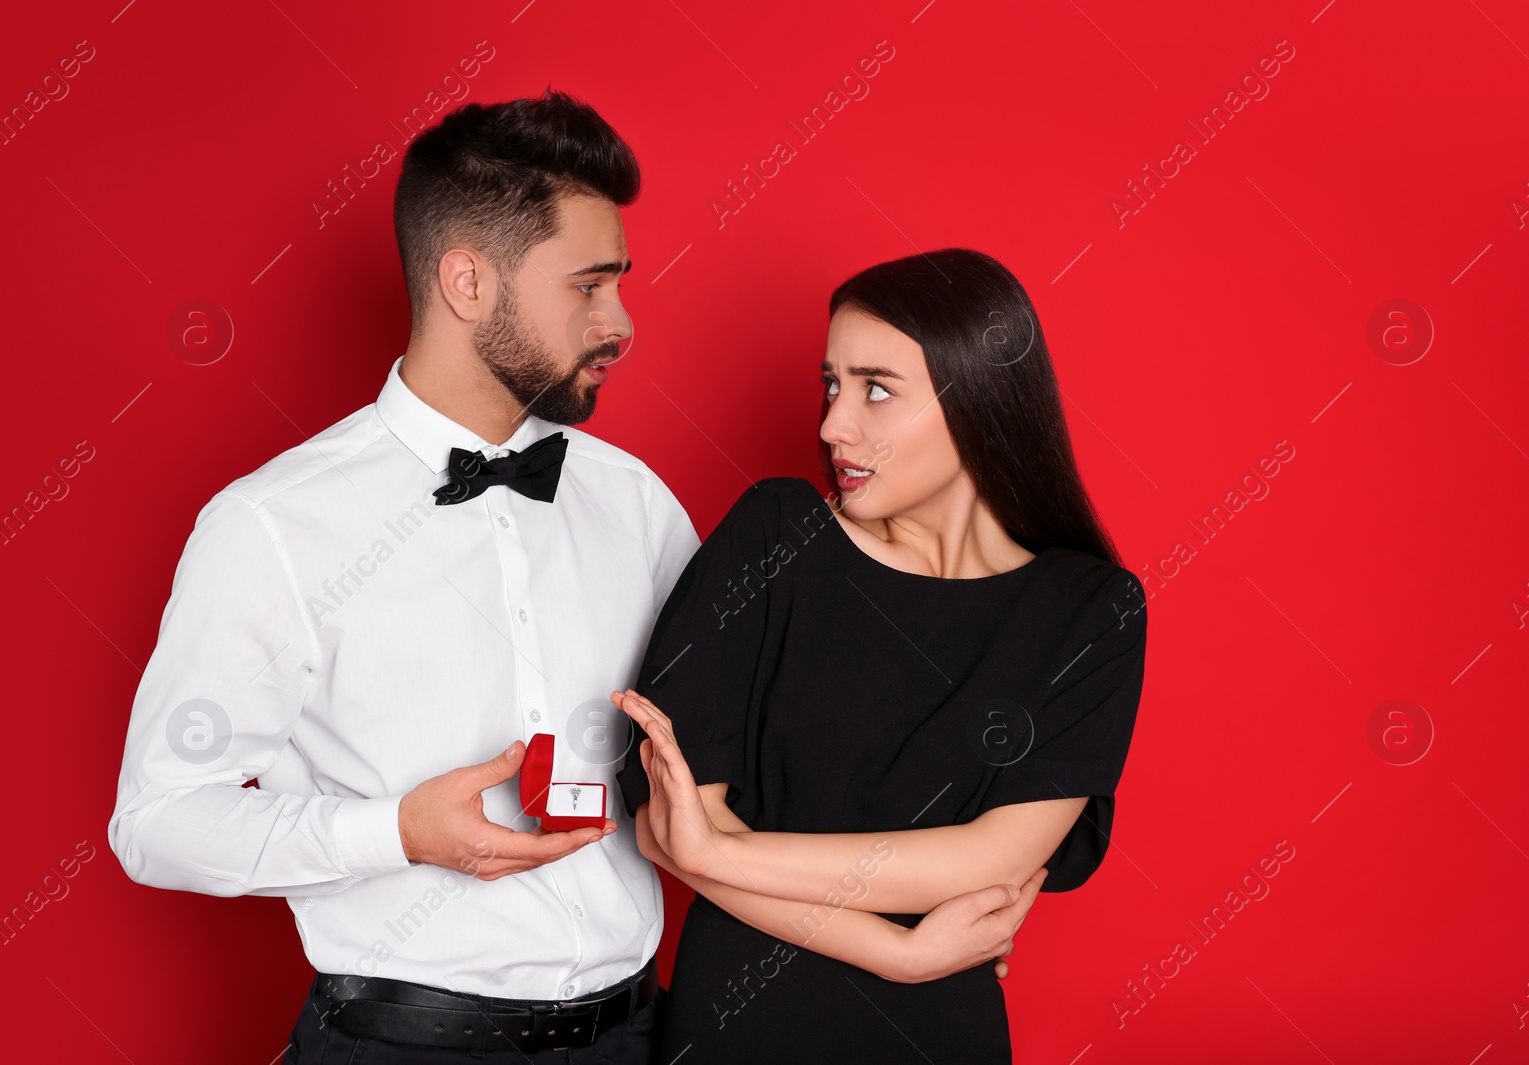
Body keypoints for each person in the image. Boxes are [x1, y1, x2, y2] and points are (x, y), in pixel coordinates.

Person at [107, 92, 1035, 1064]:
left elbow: (755, 752)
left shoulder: (635, 504)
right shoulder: (272, 526)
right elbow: (160, 821)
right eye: (588, 287)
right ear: (467, 282)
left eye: (619, 284)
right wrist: (397, 833)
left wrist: (909, 916)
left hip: (640, 1036)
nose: (622, 322)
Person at [615, 248, 1150, 1064]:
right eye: (831, 384)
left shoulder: (1090, 611)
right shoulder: (776, 537)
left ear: (980, 398)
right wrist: (898, 952)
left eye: (876, 388)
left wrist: (718, 849)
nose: (834, 424)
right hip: (738, 1026)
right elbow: (665, 826)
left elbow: (989, 858)